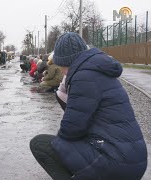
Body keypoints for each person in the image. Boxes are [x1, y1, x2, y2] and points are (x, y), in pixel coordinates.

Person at [30, 32, 147, 180]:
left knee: (41, 144)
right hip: (132, 157)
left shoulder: (83, 76)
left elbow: (71, 129)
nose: (63, 71)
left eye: (62, 66)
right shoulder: (98, 70)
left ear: (68, 61)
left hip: (118, 162)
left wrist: (62, 96)